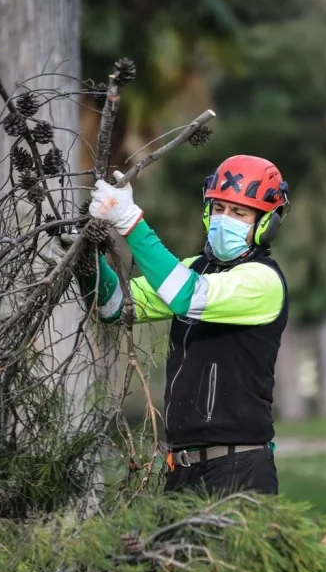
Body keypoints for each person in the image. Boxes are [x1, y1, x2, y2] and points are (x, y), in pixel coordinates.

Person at [83, 154, 291, 496]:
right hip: (181, 471)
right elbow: (114, 306)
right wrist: (85, 259)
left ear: (266, 224)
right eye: (220, 208)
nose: (225, 219)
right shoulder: (197, 268)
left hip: (238, 471)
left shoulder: (262, 281)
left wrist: (130, 220)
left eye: (239, 212)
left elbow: (185, 297)